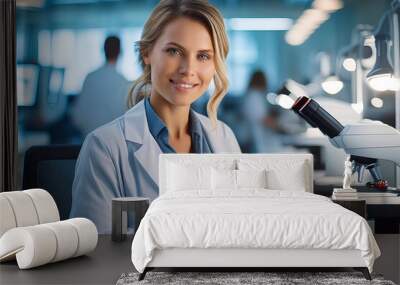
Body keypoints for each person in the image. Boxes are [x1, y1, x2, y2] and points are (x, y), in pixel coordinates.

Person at [69, 0, 241, 234]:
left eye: (203, 56)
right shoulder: (104, 148)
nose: (188, 69)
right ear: (146, 52)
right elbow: (97, 256)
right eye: (174, 51)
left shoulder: (224, 137)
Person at [71, 35, 129, 137]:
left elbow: (77, 117)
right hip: (112, 143)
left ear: (103, 50)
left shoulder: (90, 78)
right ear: (120, 52)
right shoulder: (122, 82)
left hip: (87, 141)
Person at [241, 70, 281, 153]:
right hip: (261, 144)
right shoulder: (254, 97)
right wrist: (281, 126)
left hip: (260, 140)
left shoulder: (253, 95)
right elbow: (264, 119)